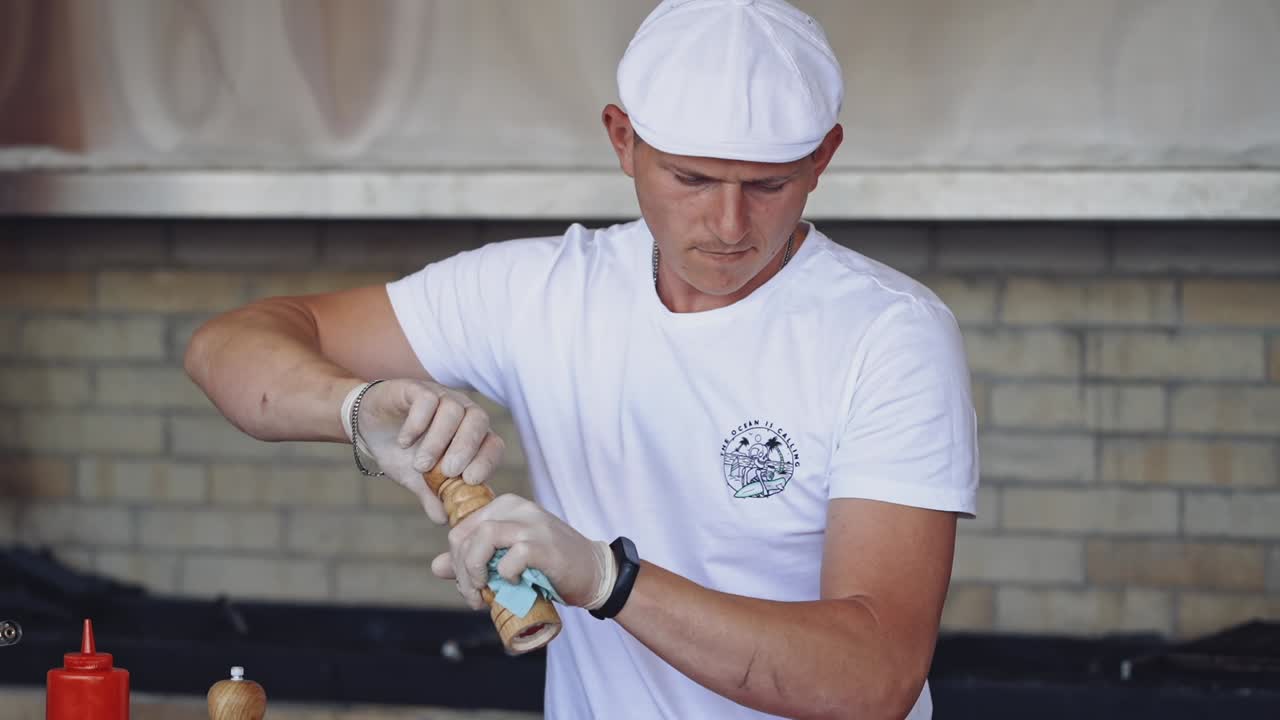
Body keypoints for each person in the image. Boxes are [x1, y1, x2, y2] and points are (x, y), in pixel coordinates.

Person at [185, 1, 978, 717]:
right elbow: (225, 347)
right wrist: (357, 412)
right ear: (622, 140)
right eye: (691, 178)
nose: (730, 223)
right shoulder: (544, 290)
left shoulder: (889, 335)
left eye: (768, 185)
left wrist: (607, 578)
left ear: (824, 157)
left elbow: (874, 675)